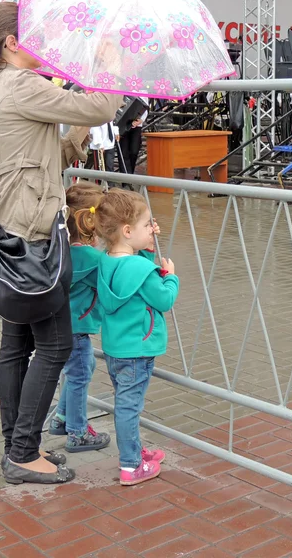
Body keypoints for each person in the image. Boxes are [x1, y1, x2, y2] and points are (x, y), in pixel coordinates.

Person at [0, 1, 122, 485]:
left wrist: (74, 121)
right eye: (35, 34)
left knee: (17, 343)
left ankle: (16, 445)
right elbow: (99, 105)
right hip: (32, 238)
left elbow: (57, 150)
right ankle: (23, 452)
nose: (46, 43)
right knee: (52, 347)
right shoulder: (22, 84)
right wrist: (107, 67)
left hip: (13, 231)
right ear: (12, 43)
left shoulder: (2, 85)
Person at [96, 188, 179, 485]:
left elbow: (130, 267)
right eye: (147, 226)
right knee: (130, 406)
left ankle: (135, 451)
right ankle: (131, 465)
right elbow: (164, 300)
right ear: (128, 230)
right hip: (139, 349)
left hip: (116, 347)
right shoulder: (143, 269)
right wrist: (170, 276)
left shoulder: (106, 260)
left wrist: (146, 245)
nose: (151, 230)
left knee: (125, 401)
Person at [47, 183, 112, 452]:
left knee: (80, 371)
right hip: (76, 328)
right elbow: (111, 286)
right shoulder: (92, 258)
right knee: (79, 374)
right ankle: (77, 432)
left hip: (58, 324)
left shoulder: (61, 250)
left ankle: (62, 417)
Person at [119, 105, 147, 174]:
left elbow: (146, 108)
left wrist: (141, 120)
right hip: (124, 124)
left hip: (137, 126)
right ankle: (125, 180)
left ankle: (130, 174)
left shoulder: (143, 93)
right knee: (123, 152)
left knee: (134, 151)